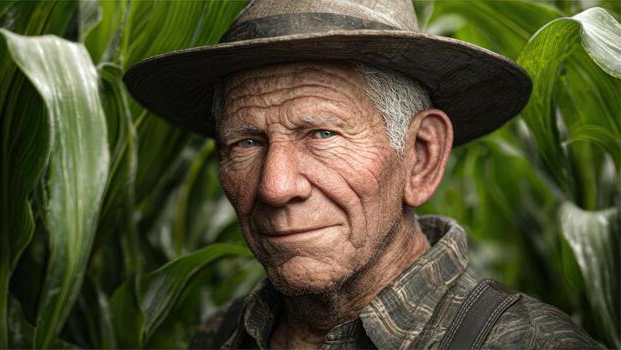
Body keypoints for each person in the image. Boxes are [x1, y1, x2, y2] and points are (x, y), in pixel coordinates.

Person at [124, 1, 600, 348]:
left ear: (420, 156)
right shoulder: (219, 336)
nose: (275, 186)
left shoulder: (527, 343)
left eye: (322, 134)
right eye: (246, 142)